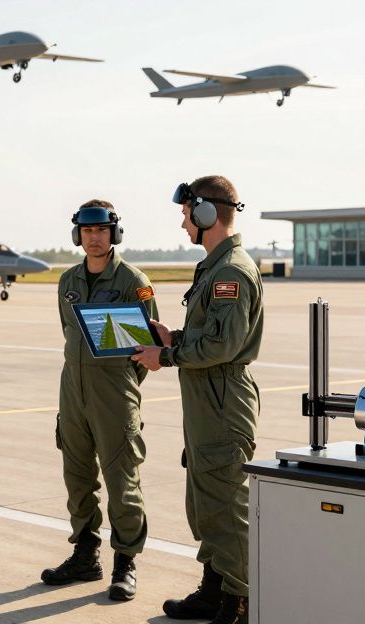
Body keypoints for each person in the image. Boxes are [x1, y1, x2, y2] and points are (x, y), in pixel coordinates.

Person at [132, 176, 263, 624]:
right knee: (206, 499)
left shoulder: (230, 273)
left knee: (225, 503)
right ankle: (214, 590)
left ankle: (240, 603)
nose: (183, 223)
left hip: (222, 401)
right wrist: (175, 337)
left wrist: (166, 356)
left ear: (206, 213)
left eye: (186, 214)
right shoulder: (214, 266)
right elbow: (211, 335)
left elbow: (223, 346)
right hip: (208, 399)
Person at [41, 200, 158, 602]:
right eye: (88, 231)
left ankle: (125, 563)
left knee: (122, 481)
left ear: (114, 233)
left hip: (114, 394)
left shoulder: (133, 281)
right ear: (78, 235)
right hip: (73, 392)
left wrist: (119, 386)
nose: (94, 238)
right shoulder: (68, 281)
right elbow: (68, 332)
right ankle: (85, 556)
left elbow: (146, 347)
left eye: (102, 230)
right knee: (77, 478)